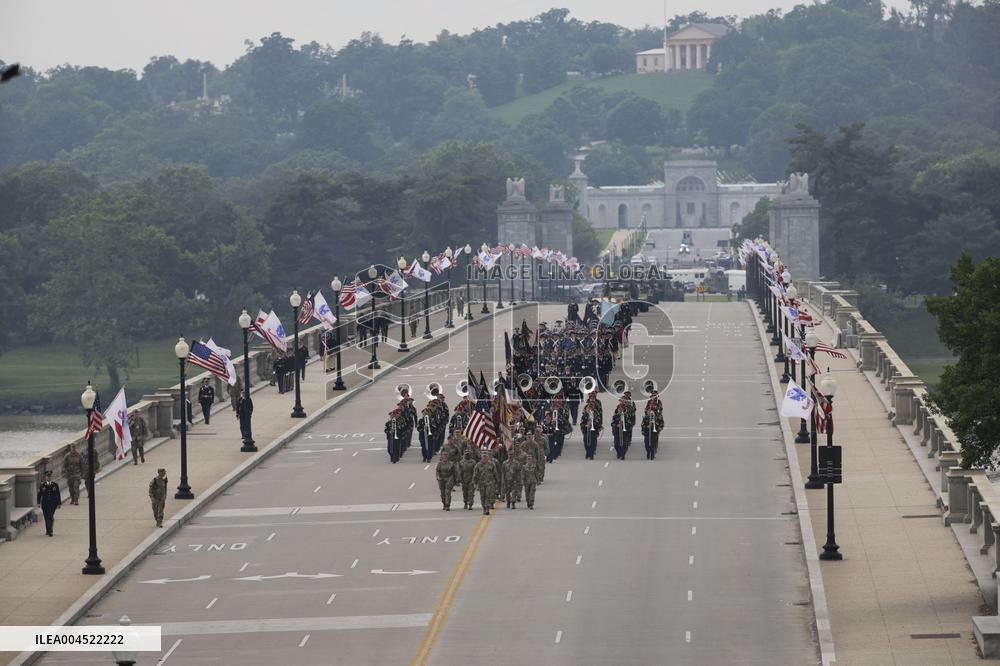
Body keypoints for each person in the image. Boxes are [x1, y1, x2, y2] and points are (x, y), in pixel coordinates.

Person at [472, 451, 499, 515]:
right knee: (482, 496)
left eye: (485, 456)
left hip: (490, 483)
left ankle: (487, 509)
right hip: (481, 483)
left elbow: (495, 473)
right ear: (481, 457)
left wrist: (497, 481)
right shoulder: (478, 465)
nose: (484, 458)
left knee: (488, 495)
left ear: (487, 457)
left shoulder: (491, 464)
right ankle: (484, 508)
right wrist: (474, 483)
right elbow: (475, 475)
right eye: (483, 457)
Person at [580, 391, 603, 460]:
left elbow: (598, 420)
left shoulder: (596, 413)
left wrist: (594, 424)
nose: (590, 408)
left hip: (594, 429)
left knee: (593, 442)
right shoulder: (585, 413)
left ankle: (592, 454)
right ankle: (587, 452)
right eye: (589, 407)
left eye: (591, 407)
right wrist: (586, 425)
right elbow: (582, 422)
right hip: (586, 429)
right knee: (585, 442)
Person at [642, 390, 665, 460]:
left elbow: (660, 410)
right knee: (646, 442)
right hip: (648, 420)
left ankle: (653, 452)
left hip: (656, 419)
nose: (653, 397)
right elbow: (646, 410)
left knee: (654, 440)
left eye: (654, 395)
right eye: (652, 396)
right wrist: (647, 412)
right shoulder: (649, 402)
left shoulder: (659, 402)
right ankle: (648, 451)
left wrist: (655, 410)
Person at [37, 471, 61, 536]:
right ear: (45, 477)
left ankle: (50, 531)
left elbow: (58, 494)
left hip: (53, 504)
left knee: (50, 516)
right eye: (47, 476)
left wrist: (59, 503)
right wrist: (38, 503)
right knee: (46, 518)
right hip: (45, 504)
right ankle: (48, 530)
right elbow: (39, 494)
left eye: (49, 476)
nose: (48, 478)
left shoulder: (55, 485)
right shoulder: (42, 485)